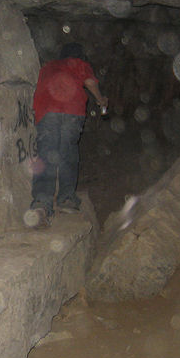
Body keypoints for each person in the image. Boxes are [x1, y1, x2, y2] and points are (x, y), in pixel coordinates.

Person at [28, 42, 107, 228]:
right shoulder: (79, 64)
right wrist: (101, 100)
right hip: (72, 110)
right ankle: (66, 200)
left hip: (48, 111)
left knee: (46, 155)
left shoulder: (48, 67)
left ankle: (41, 204)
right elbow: (89, 82)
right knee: (68, 154)